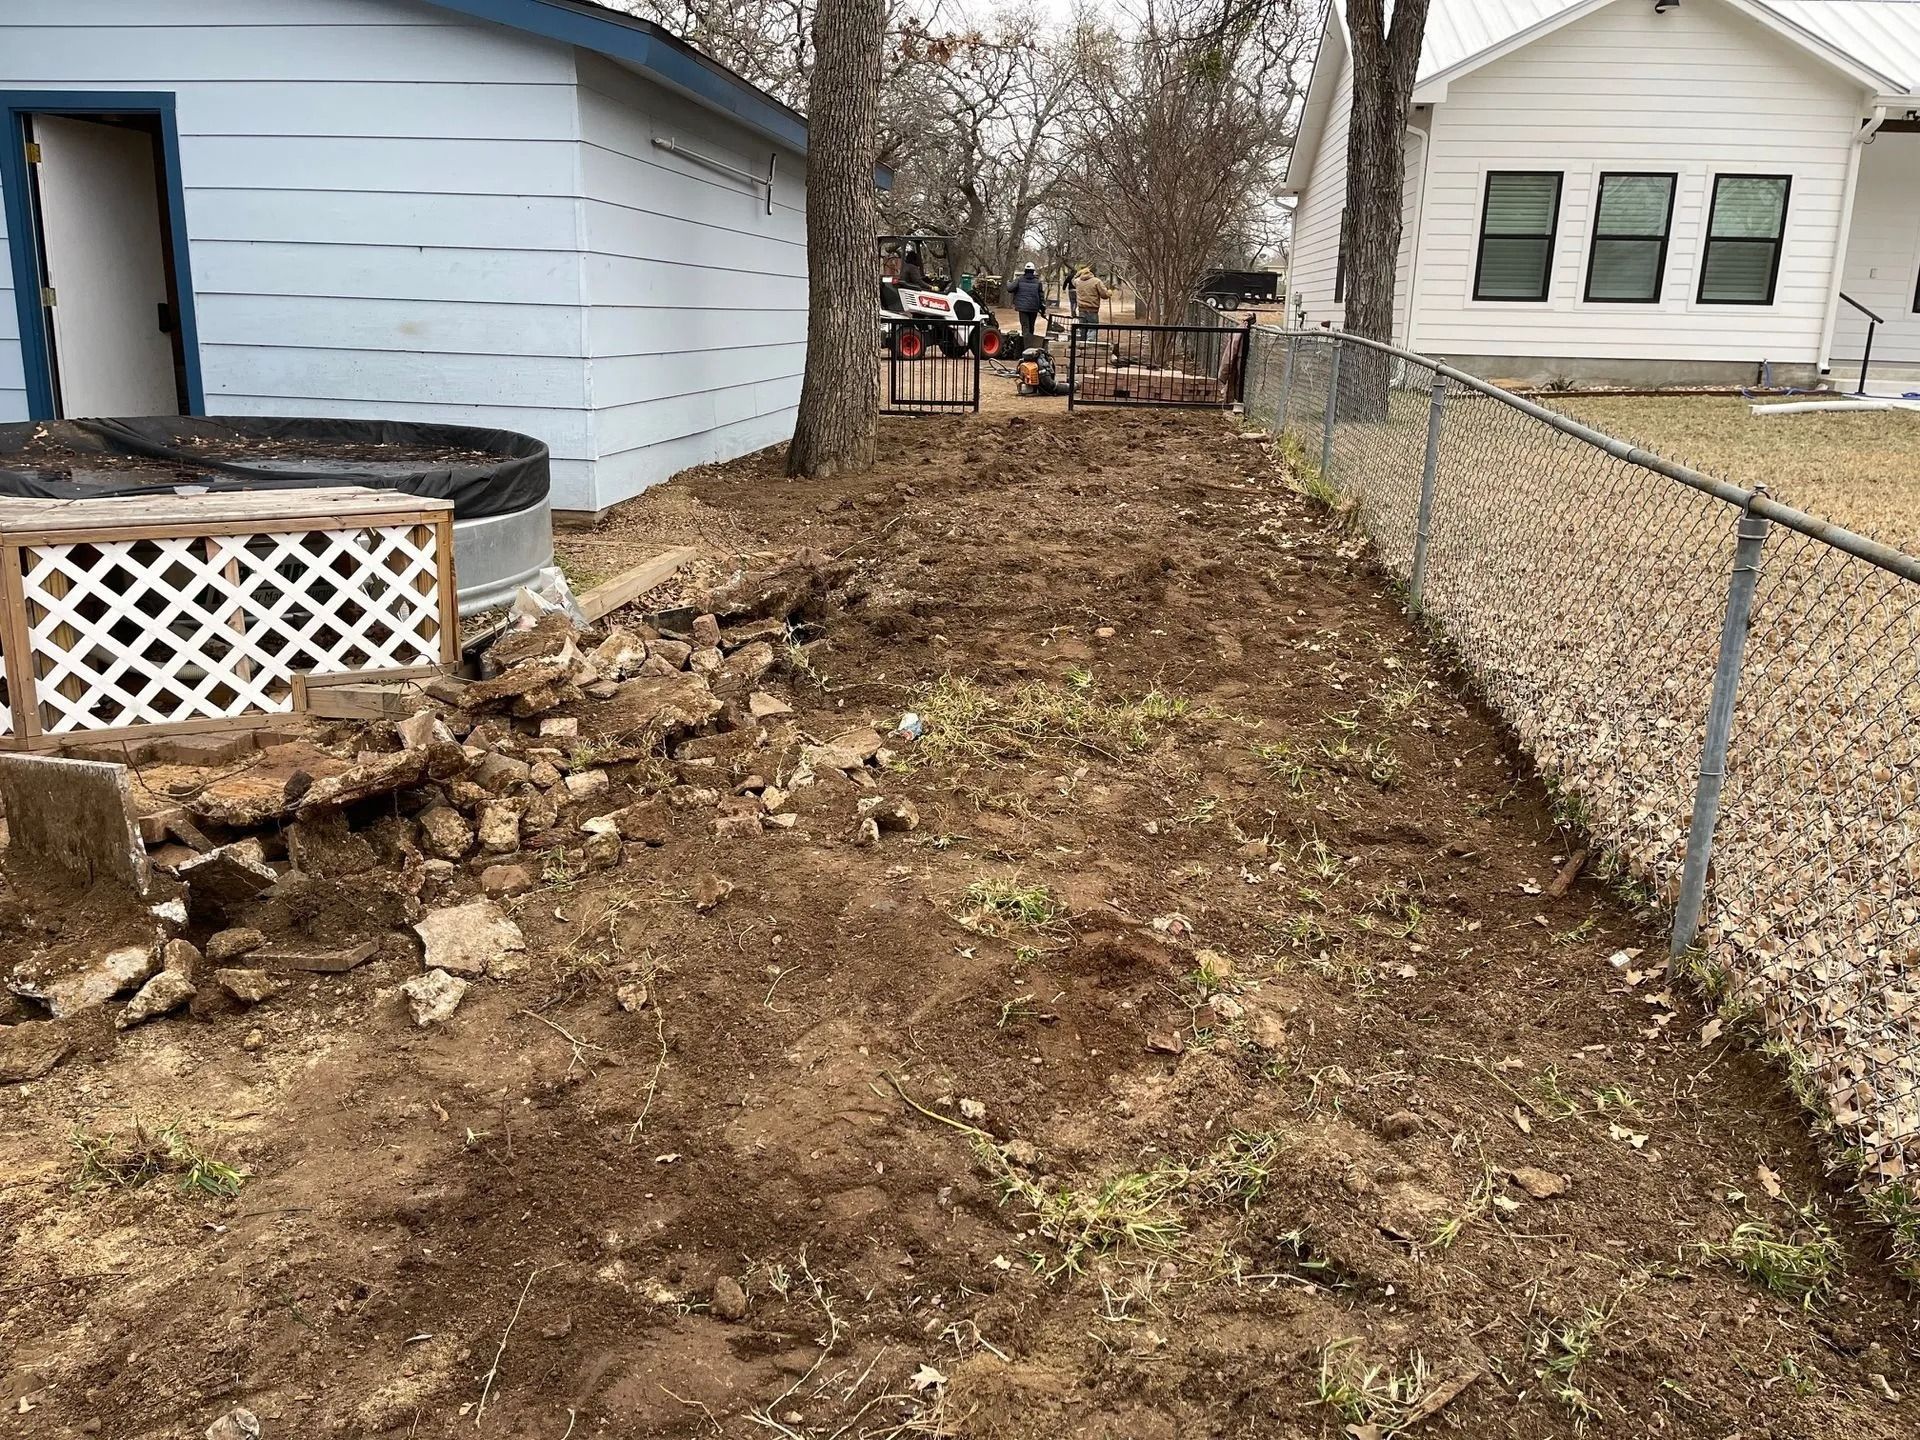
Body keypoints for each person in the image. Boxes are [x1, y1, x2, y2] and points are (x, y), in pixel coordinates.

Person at [1009, 262, 1045, 340]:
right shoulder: (1038, 282)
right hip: (1034, 307)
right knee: (1031, 326)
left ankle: (1026, 344)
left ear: (1025, 270)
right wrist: (1042, 309)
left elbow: (1010, 289)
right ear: (1033, 271)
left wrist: (1008, 283)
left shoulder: (1019, 280)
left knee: (1025, 326)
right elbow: (1041, 297)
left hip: (1022, 308)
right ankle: (1030, 343)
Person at [1074, 264, 1110, 336]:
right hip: (1092, 309)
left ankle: (1082, 344)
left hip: (1081, 309)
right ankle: (1090, 344)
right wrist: (1108, 293)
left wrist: (1078, 273)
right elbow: (1104, 295)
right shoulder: (1097, 281)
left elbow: (1073, 280)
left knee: (1082, 328)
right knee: (1093, 328)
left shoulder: (1077, 282)